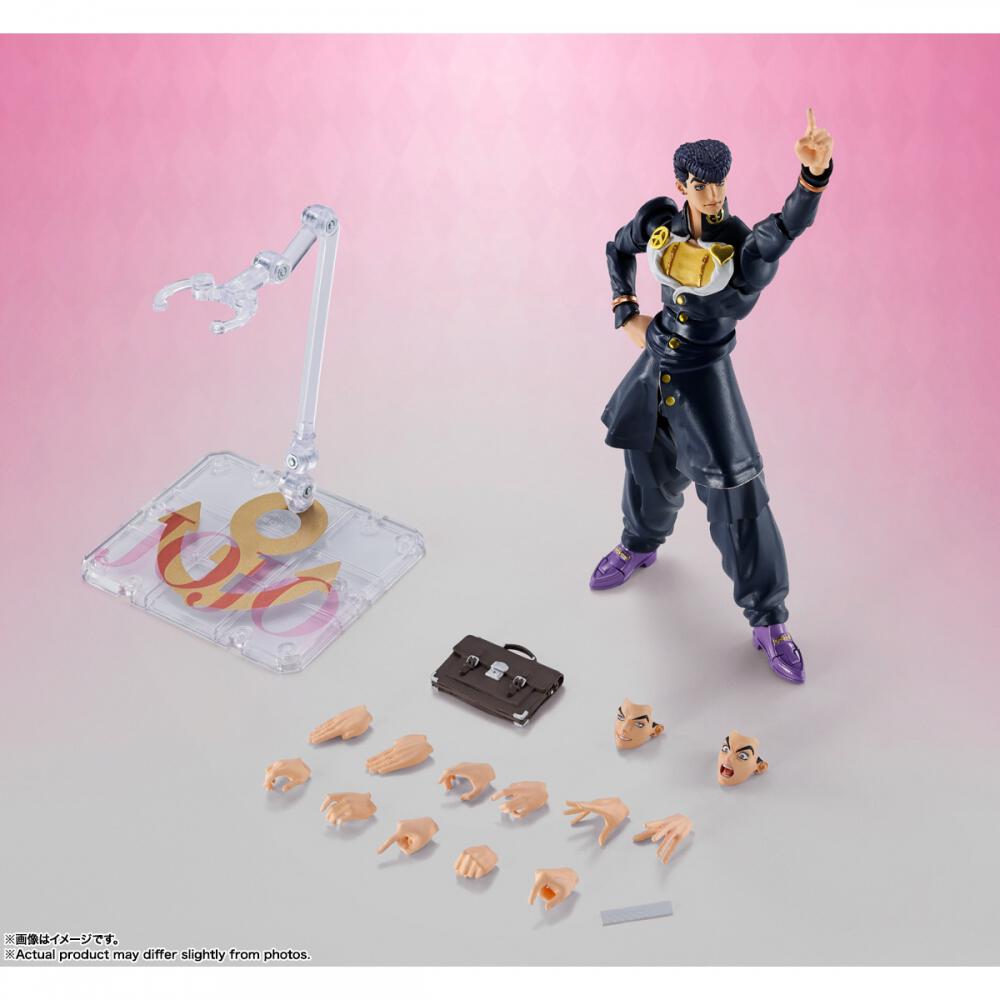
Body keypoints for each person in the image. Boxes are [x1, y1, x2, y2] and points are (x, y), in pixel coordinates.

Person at [591, 110, 834, 685]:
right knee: (645, 462)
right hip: (655, 367)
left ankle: (769, 619)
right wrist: (625, 310)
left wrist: (812, 179)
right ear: (682, 184)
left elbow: (786, 228)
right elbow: (616, 248)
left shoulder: (741, 245)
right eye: (701, 184)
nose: (713, 194)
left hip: (706, 380)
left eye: (720, 182)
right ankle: (639, 543)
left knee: (738, 494)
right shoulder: (660, 221)